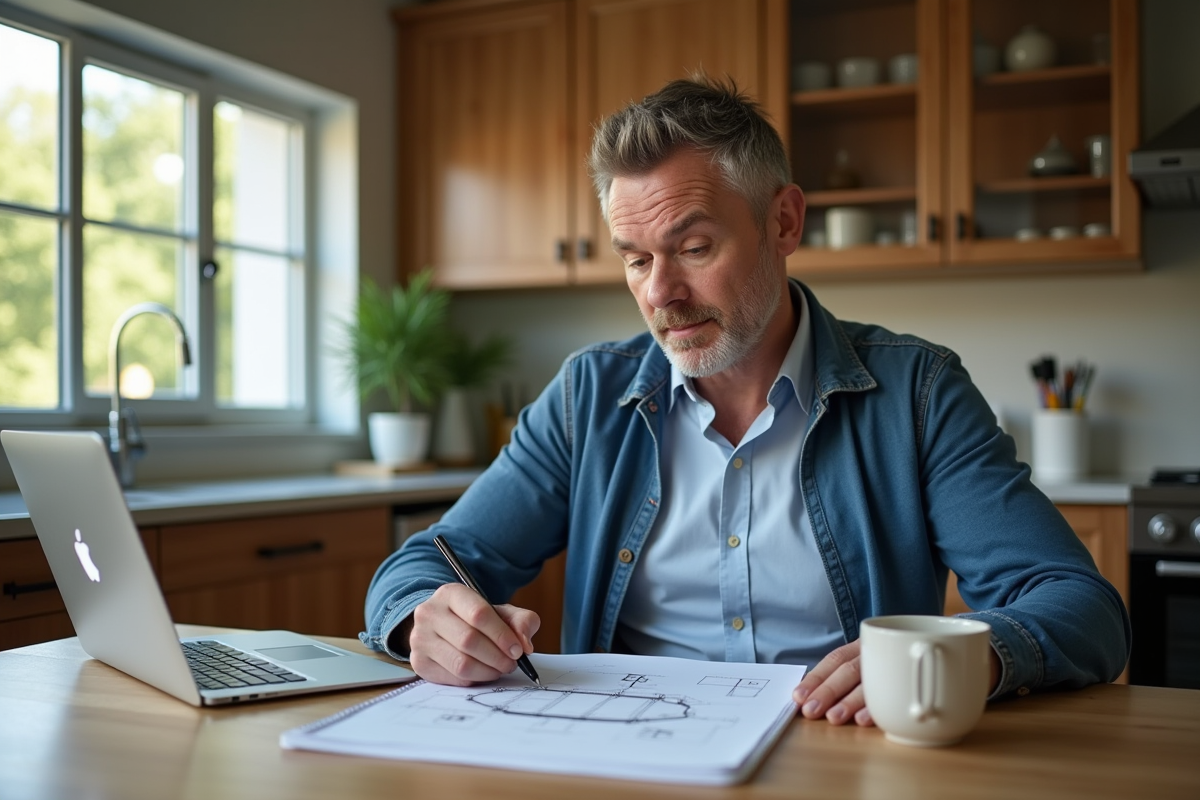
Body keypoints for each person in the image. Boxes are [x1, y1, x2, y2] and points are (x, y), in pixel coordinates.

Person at [361, 76, 1130, 727]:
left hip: (840, 756)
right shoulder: (587, 396)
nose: (660, 293)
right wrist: (420, 618)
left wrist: (966, 655)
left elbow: (1081, 608)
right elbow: (427, 562)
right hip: (628, 755)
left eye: (694, 248)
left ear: (784, 221)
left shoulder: (917, 392)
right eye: (635, 260)